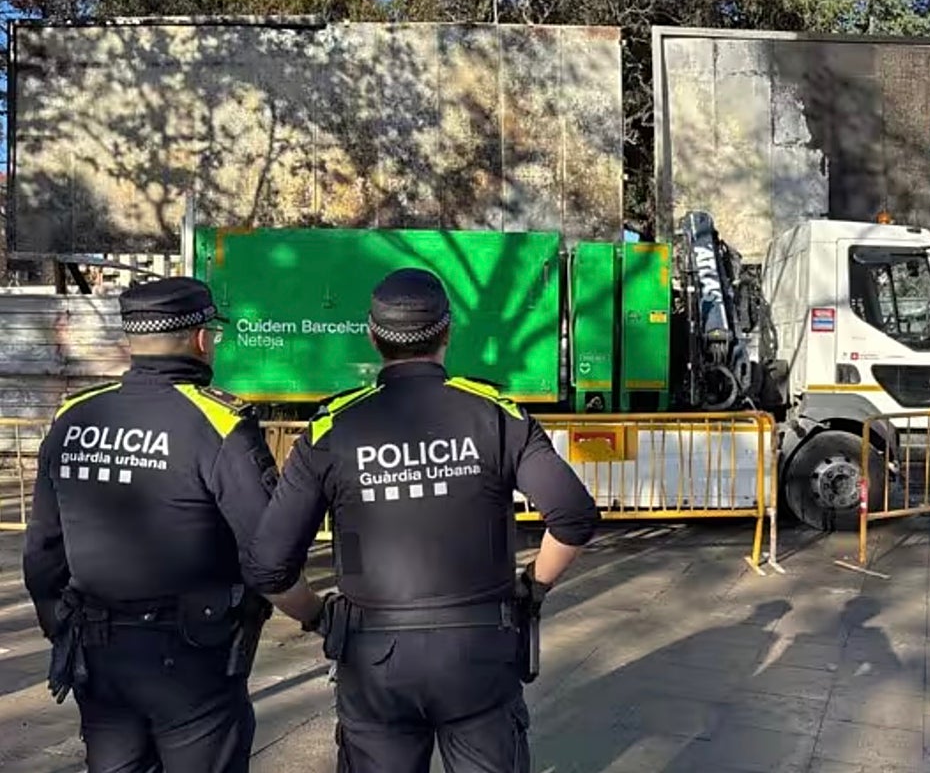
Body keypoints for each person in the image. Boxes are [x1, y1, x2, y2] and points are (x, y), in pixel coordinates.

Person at [244, 267, 600, 773]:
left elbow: (268, 567)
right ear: (448, 332)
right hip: (479, 650)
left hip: (373, 660)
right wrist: (532, 588)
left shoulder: (332, 426)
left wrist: (319, 616)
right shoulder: (496, 414)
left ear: (372, 335)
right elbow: (574, 516)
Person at [22, 277, 320, 773]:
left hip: (99, 654)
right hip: (192, 659)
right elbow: (268, 551)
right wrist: (313, 614)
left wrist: (62, 628)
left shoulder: (73, 418)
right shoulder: (219, 423)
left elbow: (42, 552)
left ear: (131, 339)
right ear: (202, 339)